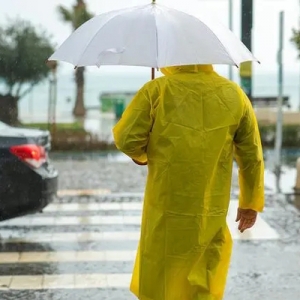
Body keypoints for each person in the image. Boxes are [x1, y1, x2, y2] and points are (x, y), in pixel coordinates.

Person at [113, 64, 264, 300]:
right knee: (203, 282)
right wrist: (250, 203)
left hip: (165, 210)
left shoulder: (157, 90)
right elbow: (251, 155)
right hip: (210, 211)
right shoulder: (234, 94)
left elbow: (126, 138)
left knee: (161, 279)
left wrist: (142, 154)